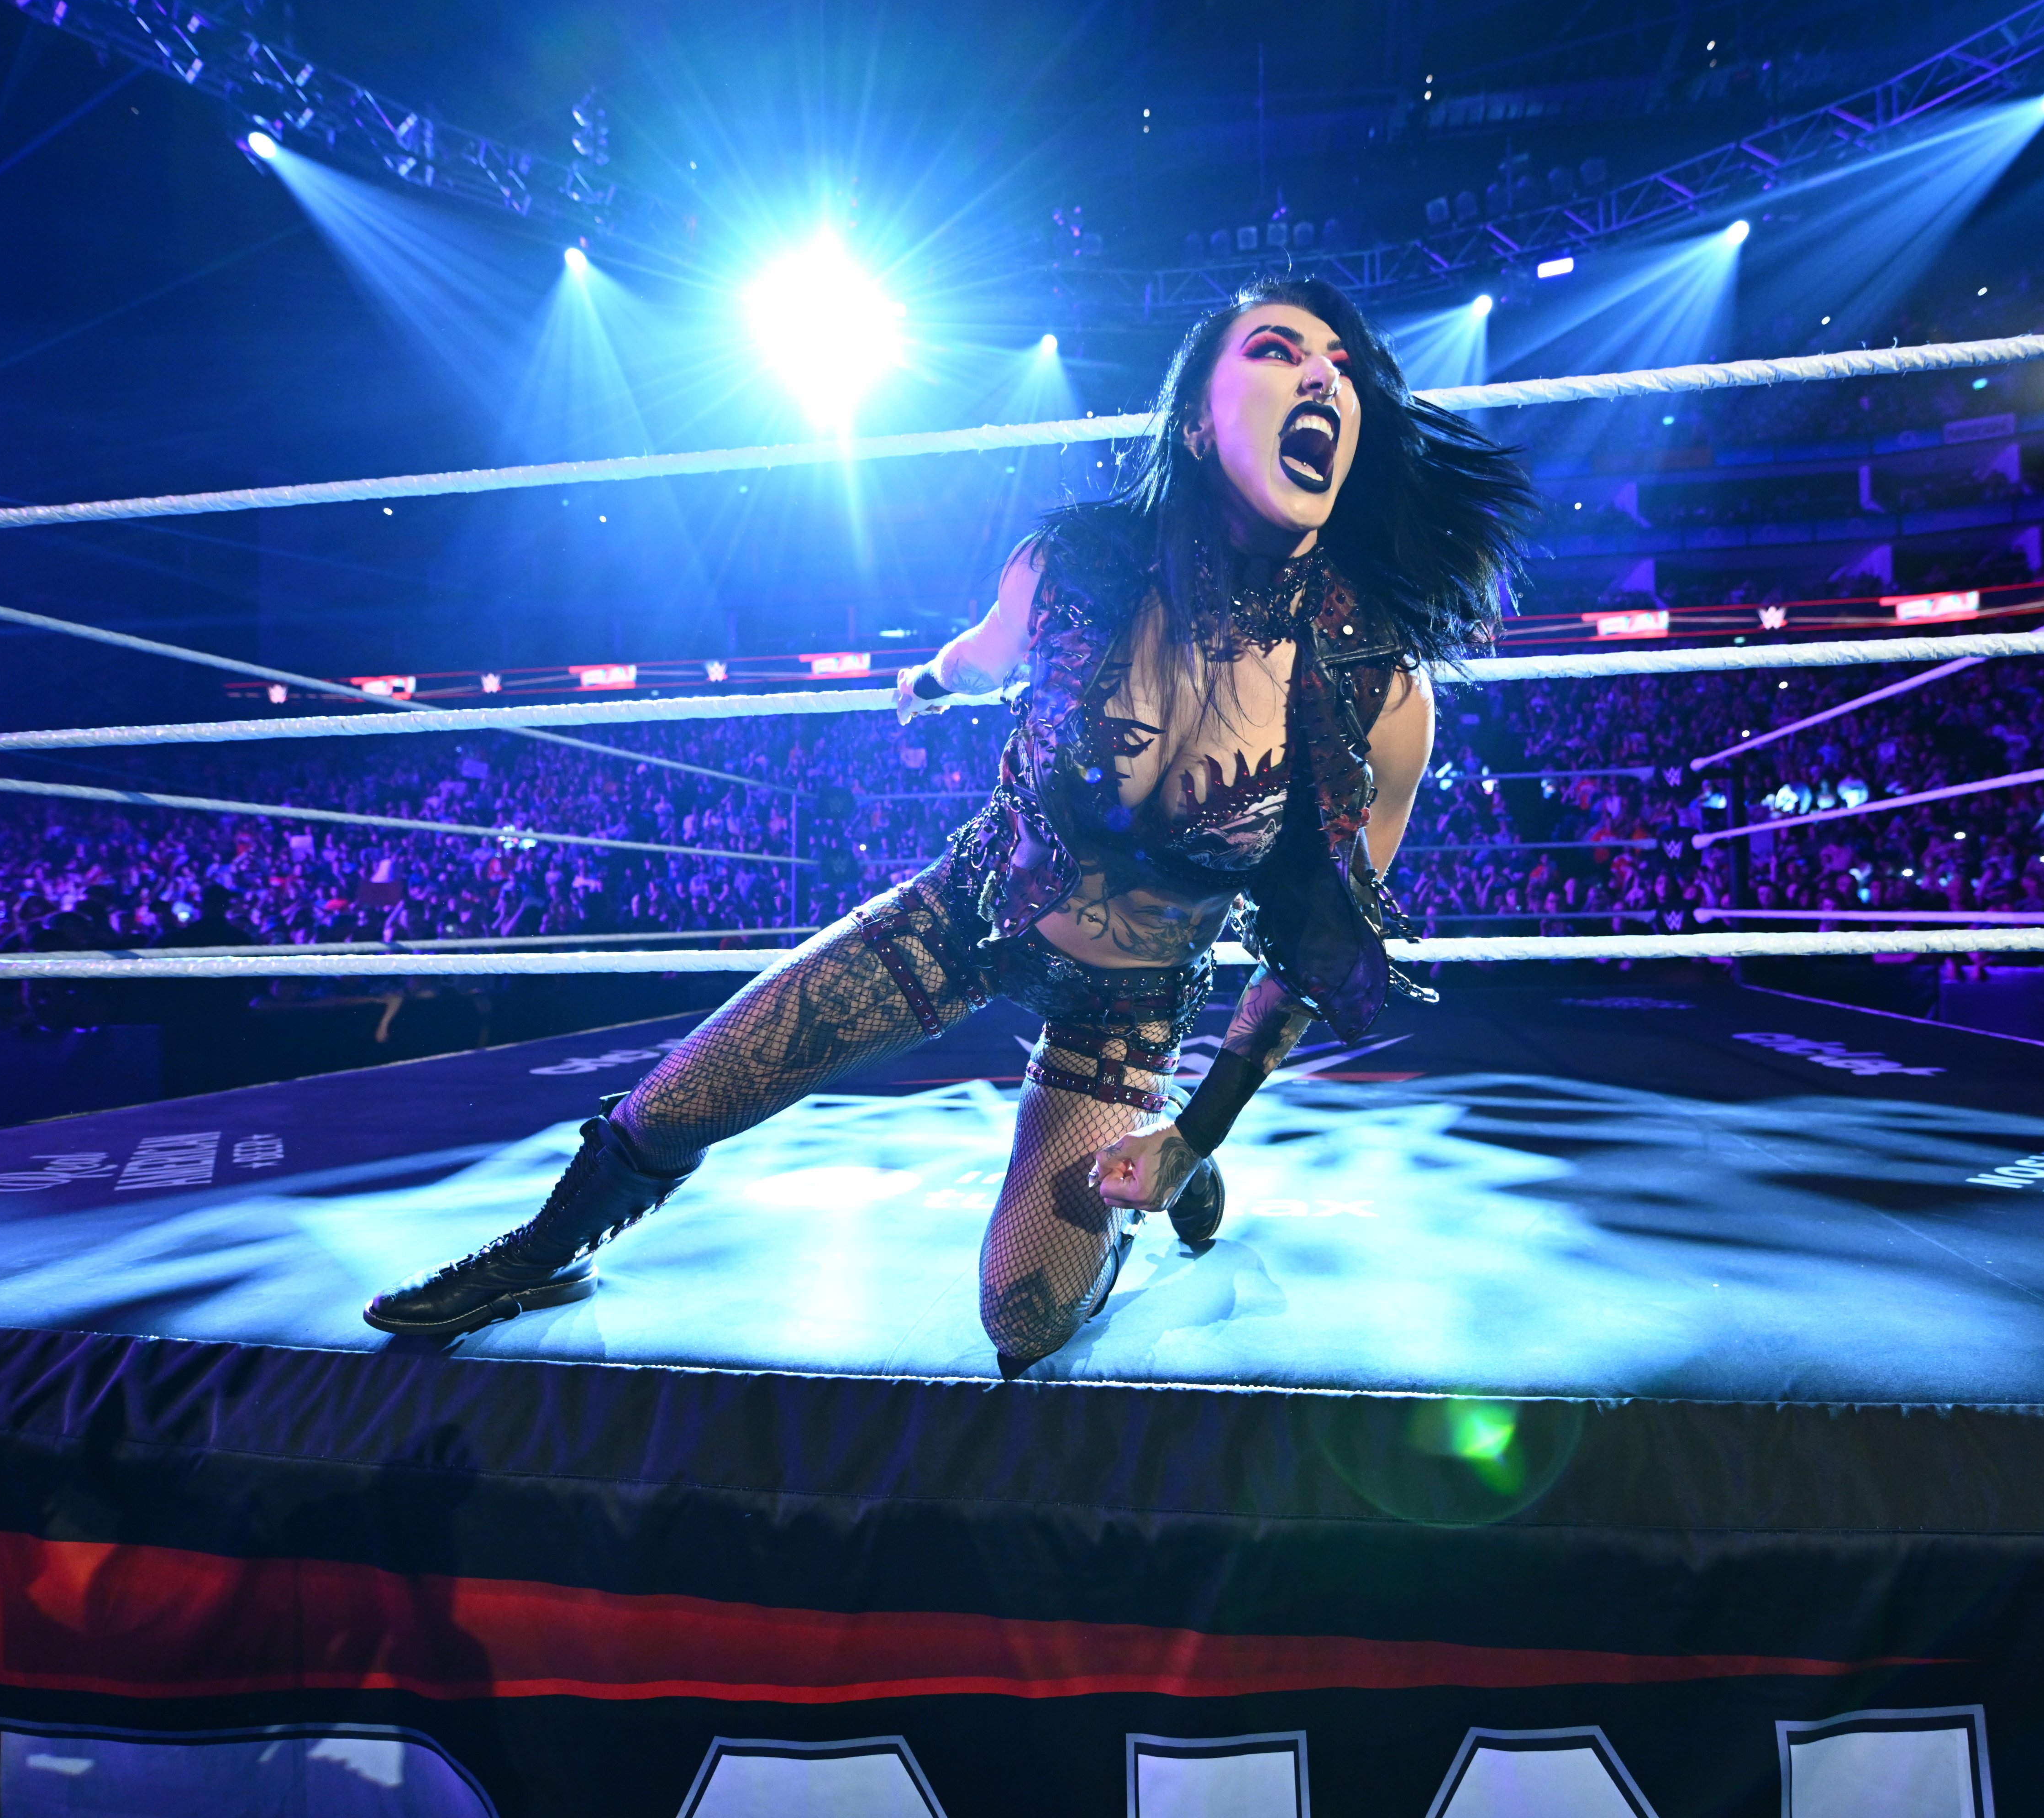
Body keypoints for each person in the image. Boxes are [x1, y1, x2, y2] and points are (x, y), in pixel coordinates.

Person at [364, 276, 1535, 1366]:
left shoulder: (1378, 691)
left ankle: (1159, 1177)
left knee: (1022, 1318)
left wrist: (1196, 1138)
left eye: (1344, 367)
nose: (1323, 376)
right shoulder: (1074, 567)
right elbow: (983, 655)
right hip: (965, 914)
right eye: (1279, 351)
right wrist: (926, 682)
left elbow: (1317, 952)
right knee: (672, 1103)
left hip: (1130, 1003)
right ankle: (536, 1254)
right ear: (1193, 423)